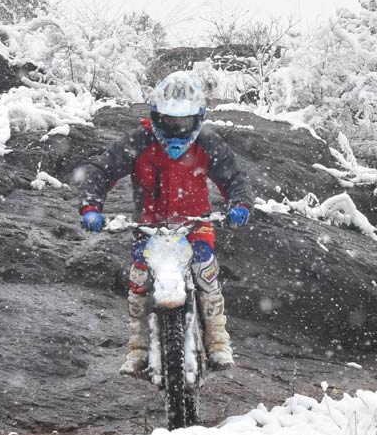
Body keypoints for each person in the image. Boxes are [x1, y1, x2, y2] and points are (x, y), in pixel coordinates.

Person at [76, 71, 253, 374]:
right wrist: (91, 206)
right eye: (170, 121)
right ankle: (138, 348)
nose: (176, 129)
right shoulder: (140, 140)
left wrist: (240, 204)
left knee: (205, 271)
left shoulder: (207, 143)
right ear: (156, 116)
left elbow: (235, 176)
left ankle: (218, 342)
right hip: (150, 226)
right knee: (140, 280)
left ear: (197, 119)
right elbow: (101, 169)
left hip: (195, 225)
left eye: (183, 122)